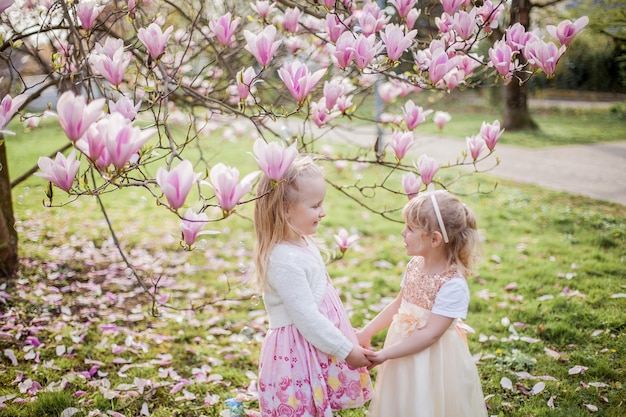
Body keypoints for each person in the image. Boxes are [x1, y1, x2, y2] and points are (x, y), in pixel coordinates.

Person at [253, 155, 373, 417]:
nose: (323, 211)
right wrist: (345, 350)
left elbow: (319, 303)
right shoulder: (283, 259)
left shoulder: (303, 243)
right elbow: (306, 317)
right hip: (297, 352)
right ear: (286, 210)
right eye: (315, 205)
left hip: (314, 343)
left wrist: (345, 334)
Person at [357, 190, 487, 417]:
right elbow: (399, 304)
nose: (402, 232)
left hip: (431, 359)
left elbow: (430, 335)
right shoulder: (415, 265)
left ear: (434, 239)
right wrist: (367, 332)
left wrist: (386, 354)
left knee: (425, 399)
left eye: (410, 229)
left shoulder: (452, 284)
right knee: (402, 395)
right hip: (402, 348)